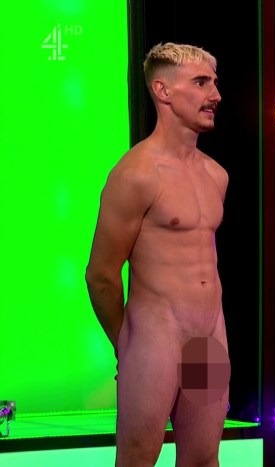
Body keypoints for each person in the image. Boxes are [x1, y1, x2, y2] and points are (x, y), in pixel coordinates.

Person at [85, 42, 231, 466]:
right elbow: (101, 275)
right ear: (163, 91)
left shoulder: (216, 175)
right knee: (137, 459)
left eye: (214, 83)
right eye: (201, 83)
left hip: (208, 338)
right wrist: (127, 342)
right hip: (156, 335)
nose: (215, 95)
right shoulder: (136, 173)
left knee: (203, 459)